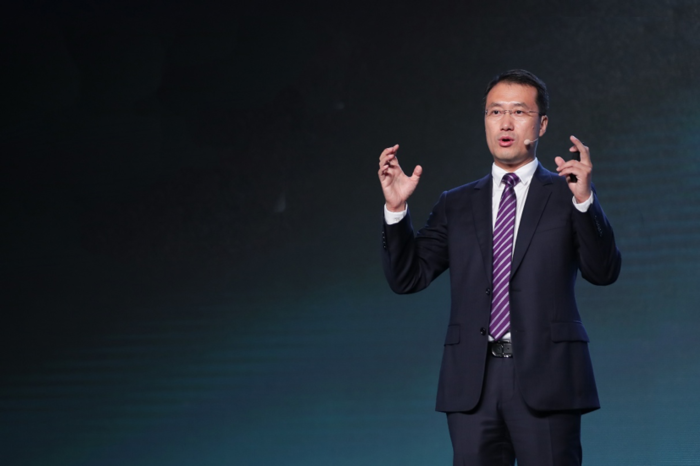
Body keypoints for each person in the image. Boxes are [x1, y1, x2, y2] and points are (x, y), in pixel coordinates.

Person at [377, 69, 621, 466]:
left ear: (542, 124)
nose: (505, 123)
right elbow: (407, 277)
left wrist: (584, 202)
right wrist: (396, 209)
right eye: (495, 112)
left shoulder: (568, 194)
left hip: (548, 377)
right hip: (472, 382)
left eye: (519, 112)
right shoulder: (456, 203)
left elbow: (604, 271)